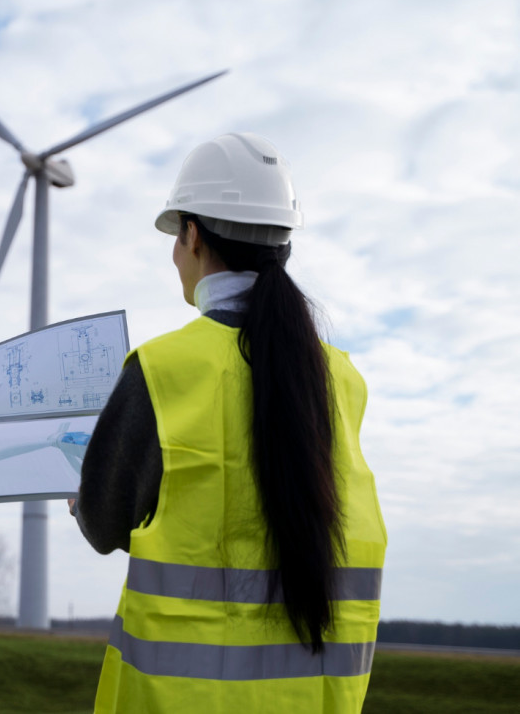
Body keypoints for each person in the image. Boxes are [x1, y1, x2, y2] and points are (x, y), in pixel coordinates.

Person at [71, 133, 387, 712]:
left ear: (192, 235)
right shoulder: (342, 381)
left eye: (175, 237)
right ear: (282, 247)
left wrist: (82, 498)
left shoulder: (162, 369)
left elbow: (102, 522)